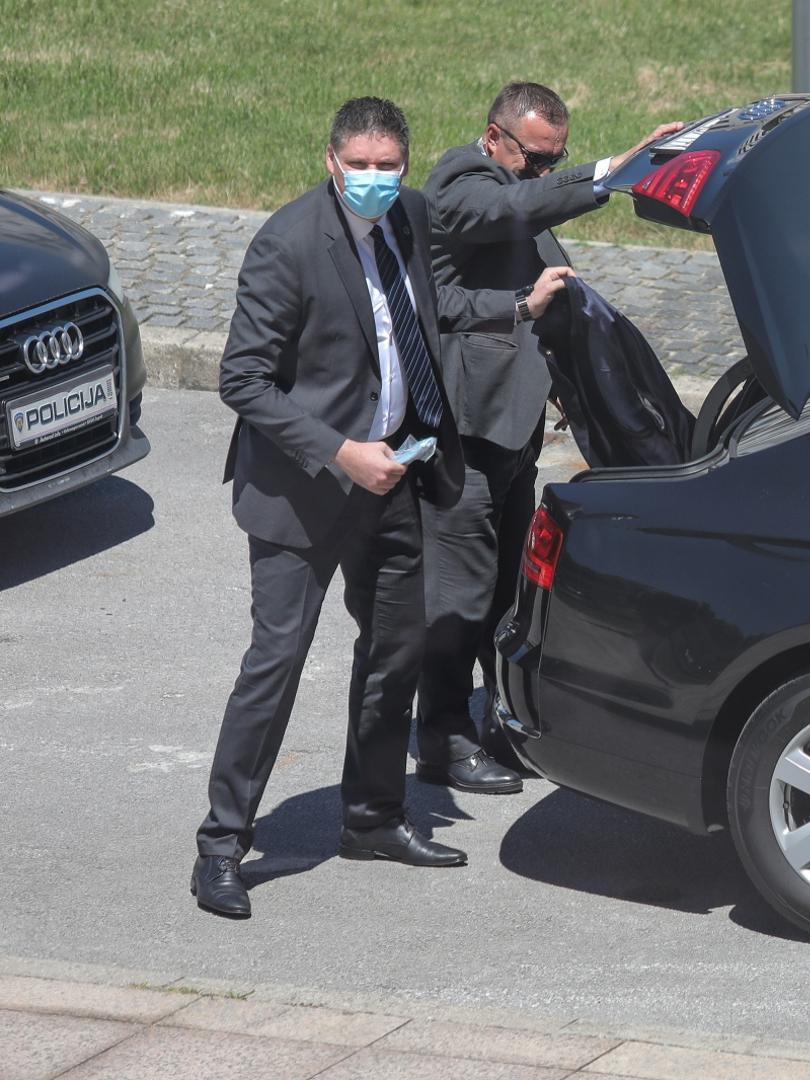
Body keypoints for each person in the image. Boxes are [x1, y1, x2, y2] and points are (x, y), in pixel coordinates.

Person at [191, 98, 565, 919]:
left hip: (397, 475)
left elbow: (433, 314)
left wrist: (517, 308)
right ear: (330, 161)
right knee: (277, 663)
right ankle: (222, 843)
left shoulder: (412, 218)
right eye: (357, 165)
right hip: (306, 491)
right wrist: (340, 452)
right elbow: (242, 380)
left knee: (397, 650)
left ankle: (373, 817)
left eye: (387, 166)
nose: (373, 180)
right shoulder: (288, 244)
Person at [414, 83, 681, 794]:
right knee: (458, 595)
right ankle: (439, 736)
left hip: (513, 425)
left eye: (554, 160)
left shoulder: (516, 183)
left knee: (508, 590)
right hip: (465, 434)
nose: (540, 172)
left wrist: (566, 382)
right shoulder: (462, 183)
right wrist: (606, 173)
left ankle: (498, 717)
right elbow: (511, 209)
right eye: (535, 158)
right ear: (494, 137)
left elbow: (549, 297)